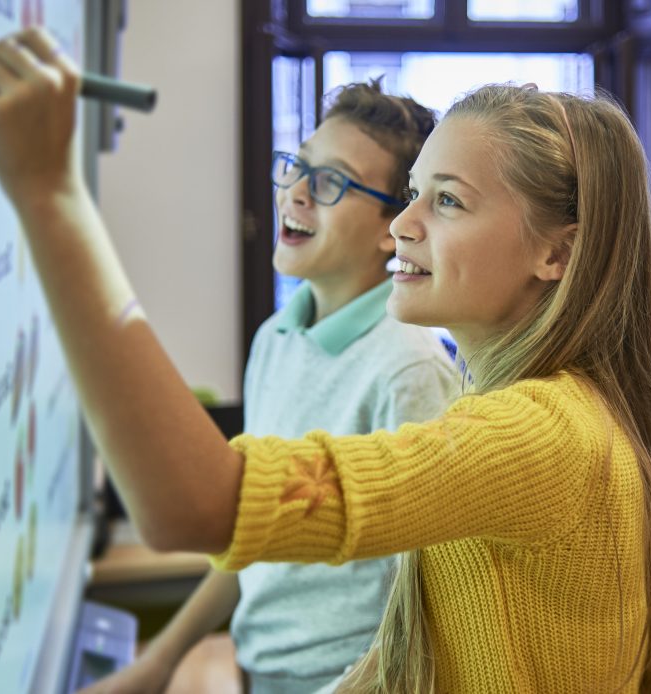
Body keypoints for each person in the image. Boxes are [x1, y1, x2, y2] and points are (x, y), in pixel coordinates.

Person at [0, 28, 651, 693]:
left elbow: (196, 504)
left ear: (556, 252)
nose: (403, 226)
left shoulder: (535, 434)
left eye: (447, 202)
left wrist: (51, 194)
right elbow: (414, 656)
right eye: (412, 195)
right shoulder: (522, 412)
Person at [82, 81, 457, 694]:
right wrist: (161, 660)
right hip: (259, 671)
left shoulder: (409, 372)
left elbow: (427, 609)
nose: (297, 193)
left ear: (394, 227)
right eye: (297, 166)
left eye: (331, 181)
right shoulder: (276, 338)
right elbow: (250, 531)